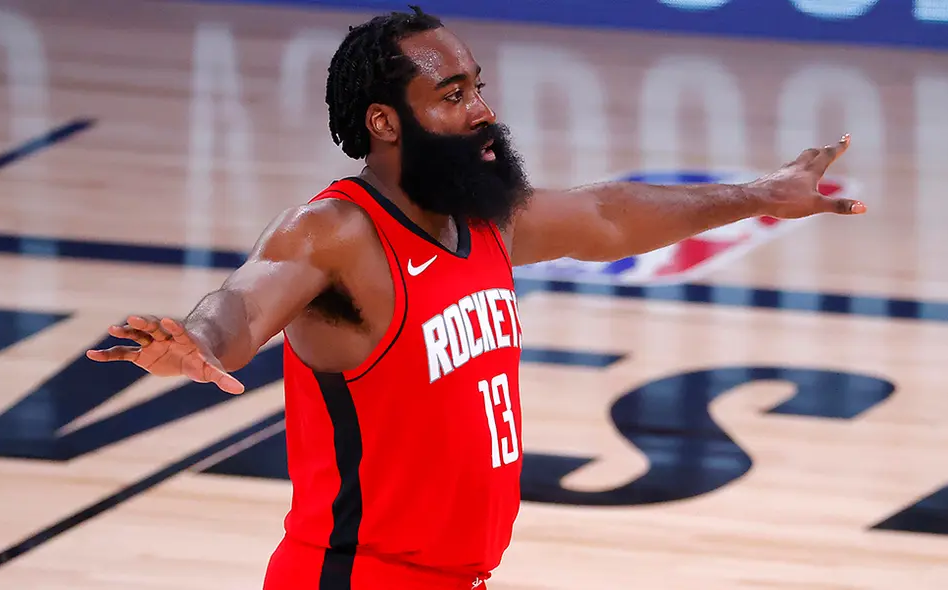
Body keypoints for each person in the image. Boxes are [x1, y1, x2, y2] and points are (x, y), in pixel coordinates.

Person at [86, 5, 865, 589]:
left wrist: (761, 192)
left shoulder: (484, 217)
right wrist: (200, 340)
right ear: (386, 122)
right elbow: (246, 302)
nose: (482, 109)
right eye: (452, 94)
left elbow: (607, 213)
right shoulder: (335, 233)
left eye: (477, 87)